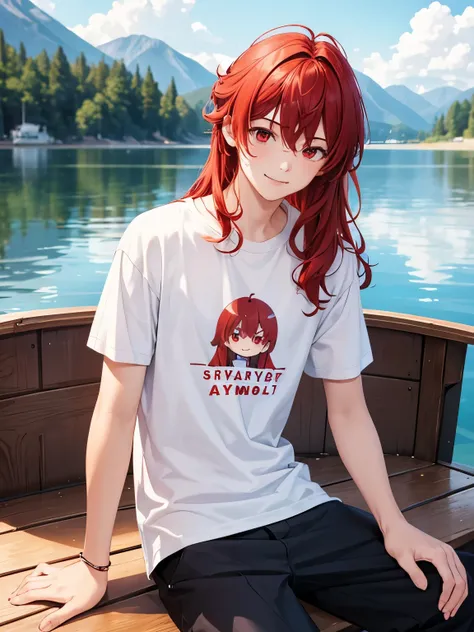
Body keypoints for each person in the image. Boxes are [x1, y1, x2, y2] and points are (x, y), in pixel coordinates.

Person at [7, 25, 474, 632]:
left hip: (297, 508)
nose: (286, 162)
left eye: (313, 147)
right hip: (196, 534)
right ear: (230, 124)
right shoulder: (157, 241)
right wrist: (95, 565)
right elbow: (116, 411)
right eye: (266, 132)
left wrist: (395, 526)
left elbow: (350, 413)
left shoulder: (322, 259)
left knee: (458, 594)